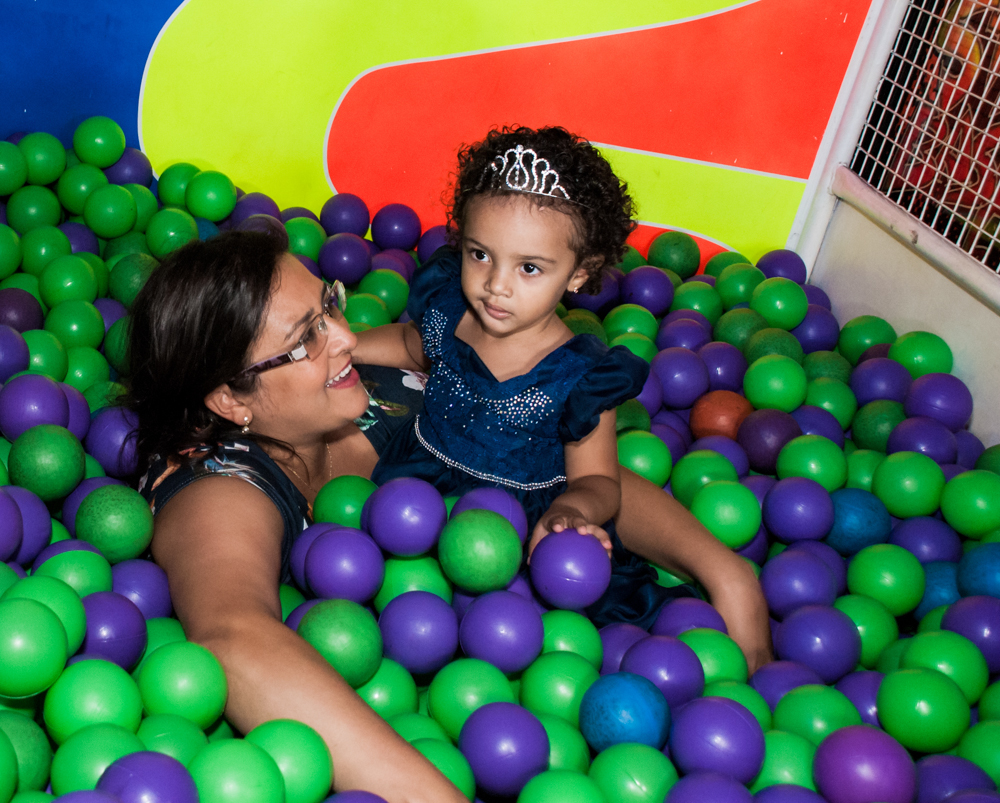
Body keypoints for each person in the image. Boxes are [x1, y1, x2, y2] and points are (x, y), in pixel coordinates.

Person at [128, 236, 769, 802]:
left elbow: (547, 463)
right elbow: (234, 636)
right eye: (306, 338)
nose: (347, 335)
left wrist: (727, 574)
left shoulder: (361, 384)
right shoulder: (221, 487)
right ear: (228, 397)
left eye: (329, 303)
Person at [355, 125, 685, 626]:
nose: (495, 285)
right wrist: (349, 344)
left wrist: (573, 514)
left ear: (578, 273)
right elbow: (409, 345)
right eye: (479, 254)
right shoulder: (450, 312)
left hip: (521, 529)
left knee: (516, 622)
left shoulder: (580, 378)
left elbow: (598, 478)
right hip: (418, 494)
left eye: (529, 268)